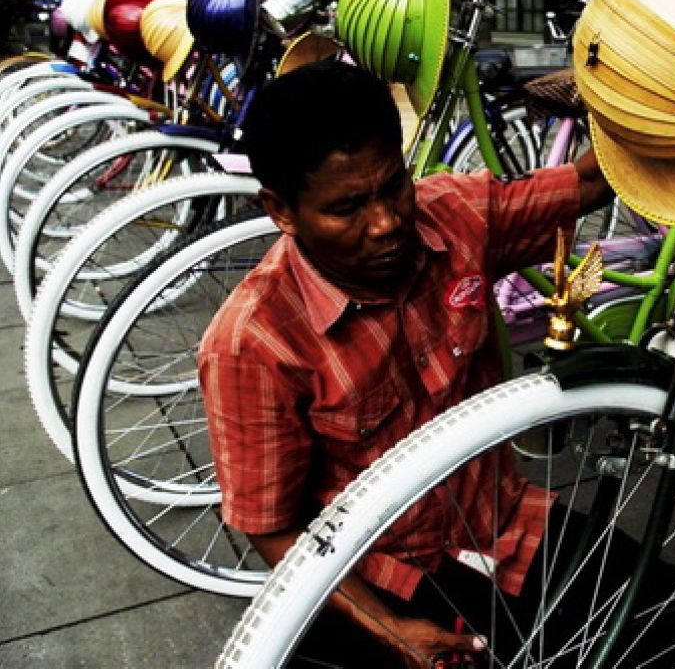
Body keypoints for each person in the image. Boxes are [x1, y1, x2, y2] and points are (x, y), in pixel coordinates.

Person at [198, 59, 613, 666]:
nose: (387, 223)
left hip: (503, 522)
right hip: (382, 573)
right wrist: (391, 628)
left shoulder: (456, 214)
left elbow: (588, 185)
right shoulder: (253, 343)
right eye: (346, 209)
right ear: (281, 211)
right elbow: (272, 530)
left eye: (394, 186)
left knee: (669, 610)